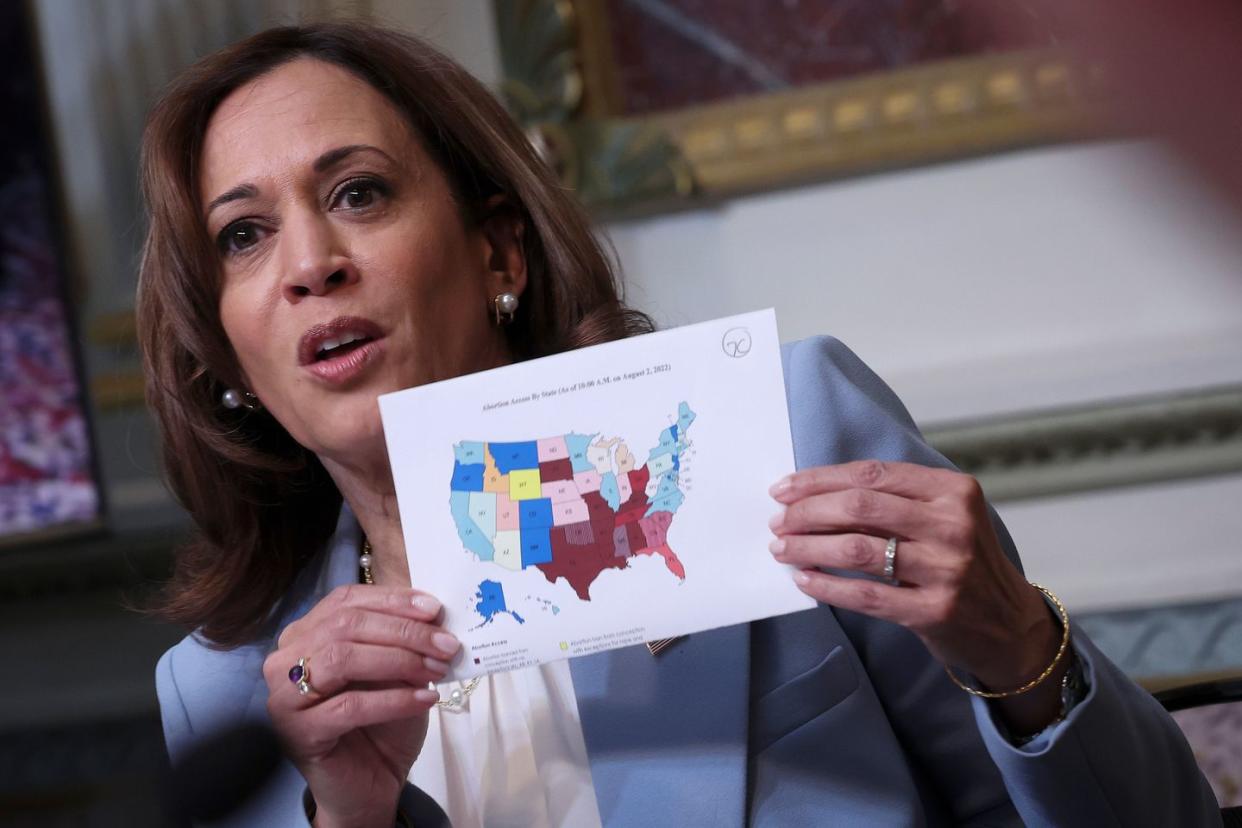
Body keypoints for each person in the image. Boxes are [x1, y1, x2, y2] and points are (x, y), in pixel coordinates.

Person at [141, 22, 1218, 828]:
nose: (308, 265)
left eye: (362, 193)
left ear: (498, 255)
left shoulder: (780, 432)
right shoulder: (225, 684)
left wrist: (1018, 649)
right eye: (243, 235)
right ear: (226, 353)